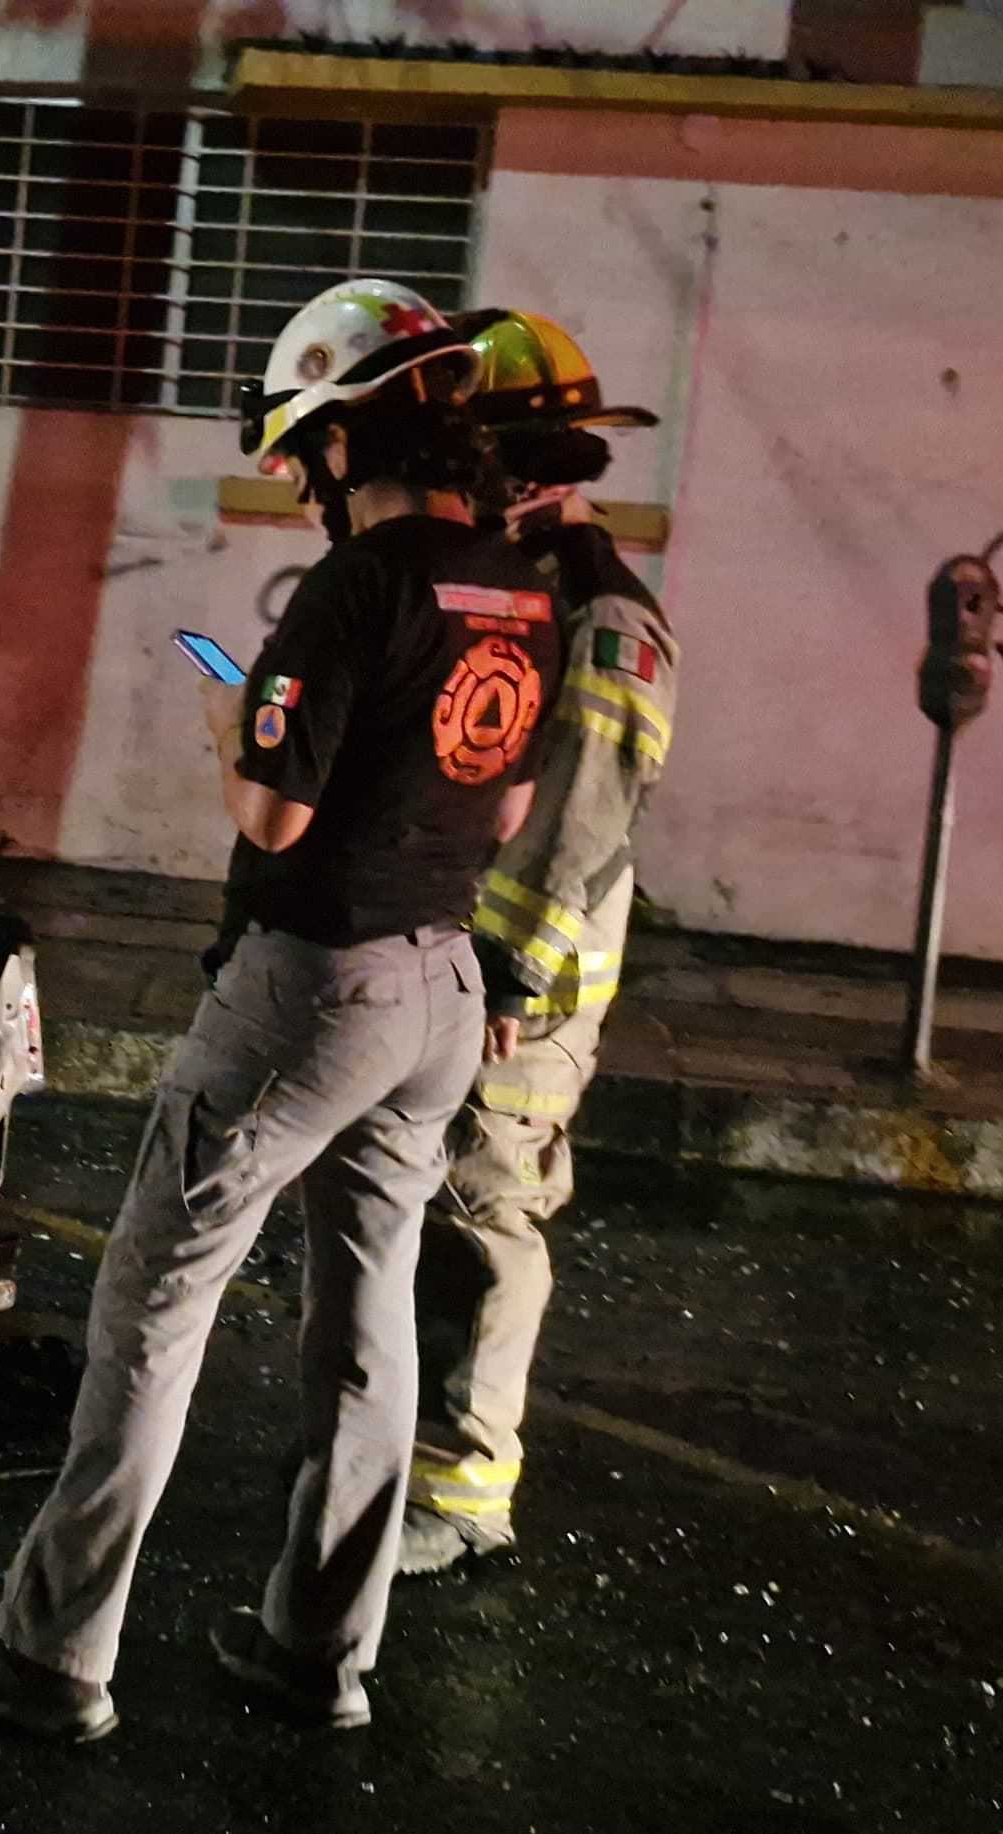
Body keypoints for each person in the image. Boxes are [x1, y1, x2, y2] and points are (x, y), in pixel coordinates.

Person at [0, 280, 546, 1740]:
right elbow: (502, 802)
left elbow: (274, 813)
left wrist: (229, 716)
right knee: (369, 1323)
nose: (304, 476)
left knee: (153, 1302)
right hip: (443, 984)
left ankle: (51, 1658)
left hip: (315, 990)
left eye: (307, 441)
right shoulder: (522, 584)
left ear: (346, 433)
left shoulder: (361, 583)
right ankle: (322, 1657)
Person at [404, 310, 682, 1574]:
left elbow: (581, 809)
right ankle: (401, 1463)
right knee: (425, 1208)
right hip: (462, 953)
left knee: (481, 1205)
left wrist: (505, 970)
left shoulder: (603, 617)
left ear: (527, 465)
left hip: (529, 980)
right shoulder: (504, 583)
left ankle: (462, 1497)